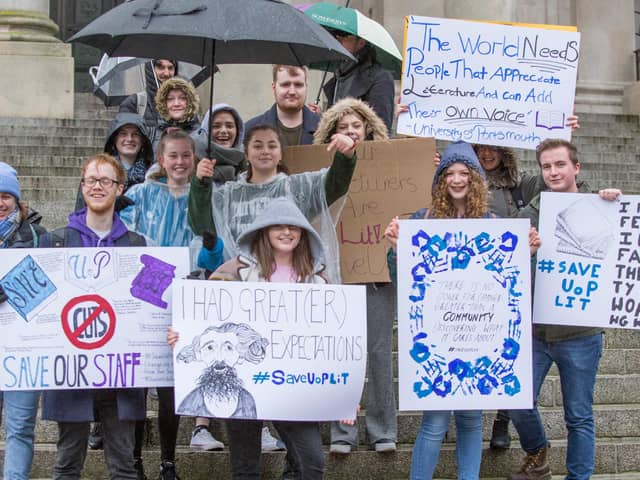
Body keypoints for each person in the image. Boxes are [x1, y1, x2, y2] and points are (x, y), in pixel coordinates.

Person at [385, 141, 541, 480]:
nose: (457, 179)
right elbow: (401, 277)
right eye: (449, 173)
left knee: (471, 420)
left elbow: (509, 283)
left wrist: (525, 255)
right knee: (435, 421)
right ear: (440, 180)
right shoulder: (421, 221)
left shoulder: (493, 223)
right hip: (439, 338)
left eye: (464, 173)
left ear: (475, 179)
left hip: (478, 338)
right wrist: (398, 249)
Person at [171, 197, 335, 480]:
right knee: (244, 467)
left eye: (293, 227)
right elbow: (205, 318)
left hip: (296, 384)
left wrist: (346, 385)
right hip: (243, 381)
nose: (287, 232)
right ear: (264, 231)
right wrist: (181, 335)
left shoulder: (318, 278)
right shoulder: (235, 271)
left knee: (311, 462)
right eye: (278, 227)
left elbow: (335, 337)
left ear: (304, 233)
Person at [508, 139, 622, 480]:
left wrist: (617, 207)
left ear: (576, 168)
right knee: (517, 401)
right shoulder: (527, 214)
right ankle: (538, 454)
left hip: (580, 334)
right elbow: (507, 268)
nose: (553, 172)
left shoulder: (601, 204)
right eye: (546, 166)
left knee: (579, 415)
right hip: (536, 330)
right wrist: (524, 254)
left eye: (560, 165)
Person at [119, 129, 224, 479]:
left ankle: (167, 462)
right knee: (136, 384)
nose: (180, 162)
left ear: (195, 160)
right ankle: (133, 461)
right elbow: (125, 242)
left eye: (186, 155)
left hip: (186, 297)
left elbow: (214, 256)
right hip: (143, 297)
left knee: (170, 386)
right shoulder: (140, 195)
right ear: (161, 161)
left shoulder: (205, 197)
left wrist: (210, 245)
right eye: (173, 156)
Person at [40, 153, 146, 480]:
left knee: (124, 467)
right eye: (90, 180)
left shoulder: (136, 245)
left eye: (105, 180)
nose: (97, 186)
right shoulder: (54, 243)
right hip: (70, 369)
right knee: (67, 463)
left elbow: (152, 309)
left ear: (119, 188)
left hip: (121, 375)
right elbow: (31, 304)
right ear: (82, 186)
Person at [312, 98, 396, 454]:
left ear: (368, 130)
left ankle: (383, 432)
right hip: (338, 274)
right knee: (341, 354)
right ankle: (342, 433)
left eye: (356, 127)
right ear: (332, 134)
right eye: (342, 128)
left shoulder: (391, 170)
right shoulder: (319, 173)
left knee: (378, 353)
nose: (350, 132)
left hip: (378, 275)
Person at [188, 123, 358, 286]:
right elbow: (201, 226)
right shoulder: (227, 195)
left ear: (280, 153)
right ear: (246, 153)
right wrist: (200, 184)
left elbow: (333, 186)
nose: (265, 151)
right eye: (258, 146)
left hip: (290, 281)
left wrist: (345, 156)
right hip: (238, 284)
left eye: (272, 146)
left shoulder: (298, 188)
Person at [0, 162, 46, 480]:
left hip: (23, 350)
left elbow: (44, 290)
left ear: (16, 198)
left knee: (20, 427)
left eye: (6, 195)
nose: (0, 202)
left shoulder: (37, 235)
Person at [154, 77, 244, 183]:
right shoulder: (192, 159)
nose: (223, 131)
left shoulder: (247, 159)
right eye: (216, 126)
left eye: (229, 126)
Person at [75, 113, 154, 213]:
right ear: (114, 139)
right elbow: (81, 211)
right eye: (123, 134)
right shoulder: (97, 170)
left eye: (135, 134)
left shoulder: (152, 174)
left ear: (143, 140)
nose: (129, 139)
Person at [323, 30, 395, 132]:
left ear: (361, 42)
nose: (337, 38)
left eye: (344, 34)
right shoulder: (338, 76)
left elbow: (380, 130)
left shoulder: (380, 77)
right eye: (334, 35)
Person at [244, 65, 319, 147]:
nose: (292, 92)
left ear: (306, 87)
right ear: (274, 87)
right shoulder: (249, 131)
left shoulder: (326, 129)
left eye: (298, 85)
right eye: (285, 85)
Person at [119, 59, 177, 128]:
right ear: (150, 69)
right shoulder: (133, 103)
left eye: (170, 68)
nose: (166, 73)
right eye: (161, 67)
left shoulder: (184, 103)